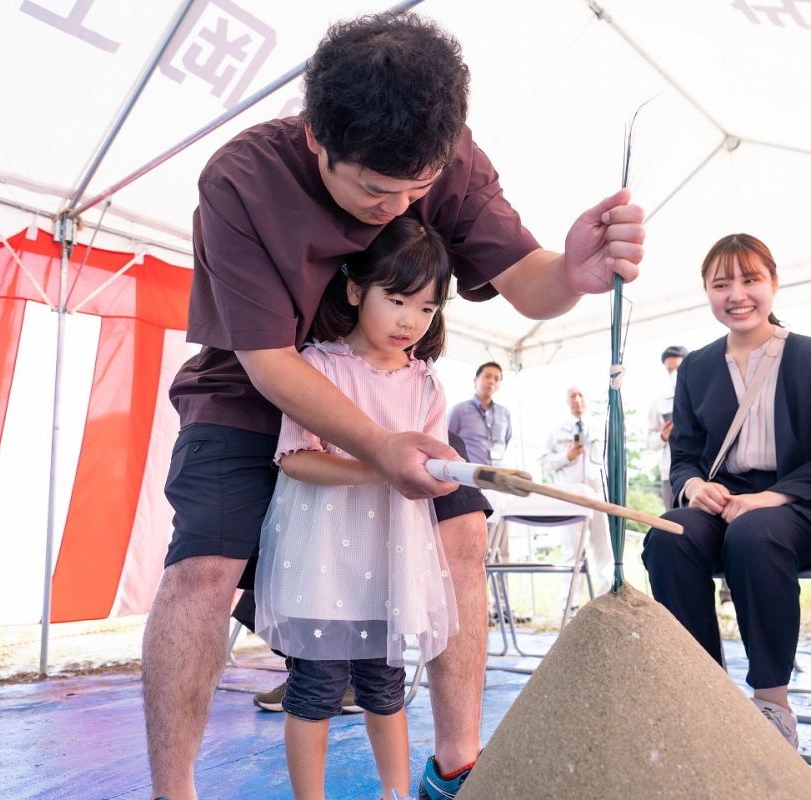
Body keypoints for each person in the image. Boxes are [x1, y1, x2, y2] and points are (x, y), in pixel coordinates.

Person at [145, 13, 646, 800]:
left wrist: (571, 275)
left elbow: (527, 280)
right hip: (250, 392)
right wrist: (379, 450)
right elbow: (272, 365)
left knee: (466, 528)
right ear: (316, 137)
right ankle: (171, 791)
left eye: (419, 188)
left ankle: (456, 765)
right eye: (377, 190)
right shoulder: (240, 178)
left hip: (387, 388)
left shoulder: (445, 156)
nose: (402, 203)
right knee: (204, 569)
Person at [254, 216, 457, 800]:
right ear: (354, 290)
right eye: (396, 300)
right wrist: (380, 466)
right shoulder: (317, 368)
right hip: (322, 560)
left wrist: (441, 476)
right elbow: (295, 459)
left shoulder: (426, 386)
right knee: (315, 690)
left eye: (425, 308)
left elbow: (431, 464)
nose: (409, 321)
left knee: (385, 687)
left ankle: (396, 794)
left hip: (390, 561)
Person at [641, 233, 811, 749]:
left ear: (774, 284)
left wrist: (770, 498)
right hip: (724, 497)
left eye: (750, 279)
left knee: (756, 533)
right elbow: (685, 453)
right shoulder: (696, 366)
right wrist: (694, 486)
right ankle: (705, 696)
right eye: (721, 284)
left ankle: (771, 703)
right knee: (668, 534)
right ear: (707, 293)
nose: (736, 294)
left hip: (799, 504)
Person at [540, 387, 612, 588]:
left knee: (604, 547)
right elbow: (544, 462)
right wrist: (567, 457)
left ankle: (607, 597)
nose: (577, 400)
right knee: (572, 552)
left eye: (581, 395)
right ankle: (570, 606)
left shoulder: (599, 427)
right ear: (567, 401)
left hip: (597, 495)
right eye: (573, 396)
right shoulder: (557, 430)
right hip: (571, 498)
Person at [447, 362, 512, 468]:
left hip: (499, 476)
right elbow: (447, 442)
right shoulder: (458, 410)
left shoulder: (504, 413)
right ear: (475, 380)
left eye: (496, 379)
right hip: (469, 476)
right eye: (487, 376)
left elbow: (506, 441)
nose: (492, 381)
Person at [647, 345, 687, 509]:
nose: (674, 375)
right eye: (670, 370)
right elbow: (649, 443)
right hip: (670, 473)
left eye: (678, 369)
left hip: (703, 471)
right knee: (673, 522)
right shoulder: (658, 403)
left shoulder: (702, 398)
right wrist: (663, 436)